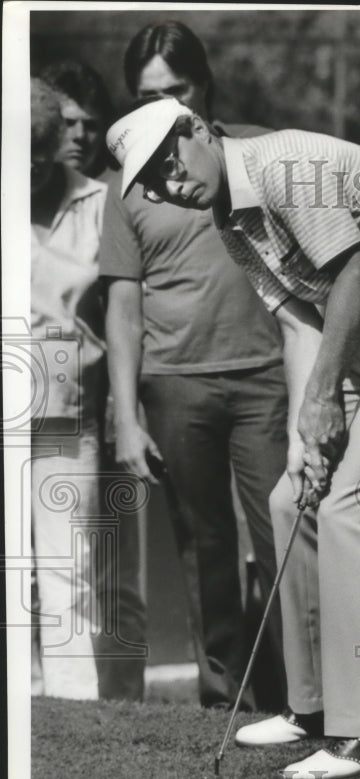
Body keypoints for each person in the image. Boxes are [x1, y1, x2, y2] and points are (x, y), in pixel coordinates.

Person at [105, 96, 360, 779]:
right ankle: (311, 707)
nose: (170, 183)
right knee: (292, 498)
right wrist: (300, 433)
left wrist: (321, 400)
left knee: (350, 508)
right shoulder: (227, 217)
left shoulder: (283, 167)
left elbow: (354, 275)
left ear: (196, 128)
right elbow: (298, 323)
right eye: (153, 181)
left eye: (170, 160)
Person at [99, 21, 289, 710]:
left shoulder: (259, 151)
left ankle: (302, 695)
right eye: (148, 96)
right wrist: (125, 415)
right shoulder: (125, 184)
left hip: (268, 376)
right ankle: (224, 695)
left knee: (286, 537)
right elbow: (123, 306)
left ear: (203, 84)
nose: (166, 108)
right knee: (205, 545)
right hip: (176, 385)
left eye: (177, 91)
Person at [39, 58, 147, 702]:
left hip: (100, 412)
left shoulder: (109, 205)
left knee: (110, 574)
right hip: (41, 410)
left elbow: (126, 319)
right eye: (66, 122)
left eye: (90, 124)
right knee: (58, 568)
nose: (78, 134)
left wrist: (126, 412)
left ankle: (126, 708)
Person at [30, 77, 108, 699]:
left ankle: (70, 708)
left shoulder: (98, 204)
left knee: (68, 564)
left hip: (64, 406)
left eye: (39, 153)